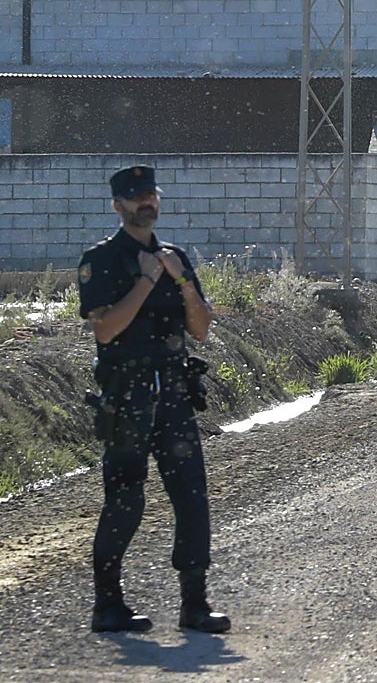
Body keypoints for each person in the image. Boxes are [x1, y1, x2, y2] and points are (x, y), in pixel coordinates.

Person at [78, 165, 231, 634]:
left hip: (173, 394)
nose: (146, 202)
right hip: (126, 396)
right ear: (117, 206)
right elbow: (105, 328)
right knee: (125, 501)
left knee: (192, 496)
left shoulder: (175, 257)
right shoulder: (101, 260)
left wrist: (180, 281)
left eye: (151, 194)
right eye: (135, 196)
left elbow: (201, 330)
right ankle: (108, 605)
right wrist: (145, 281)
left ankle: (195, 604)